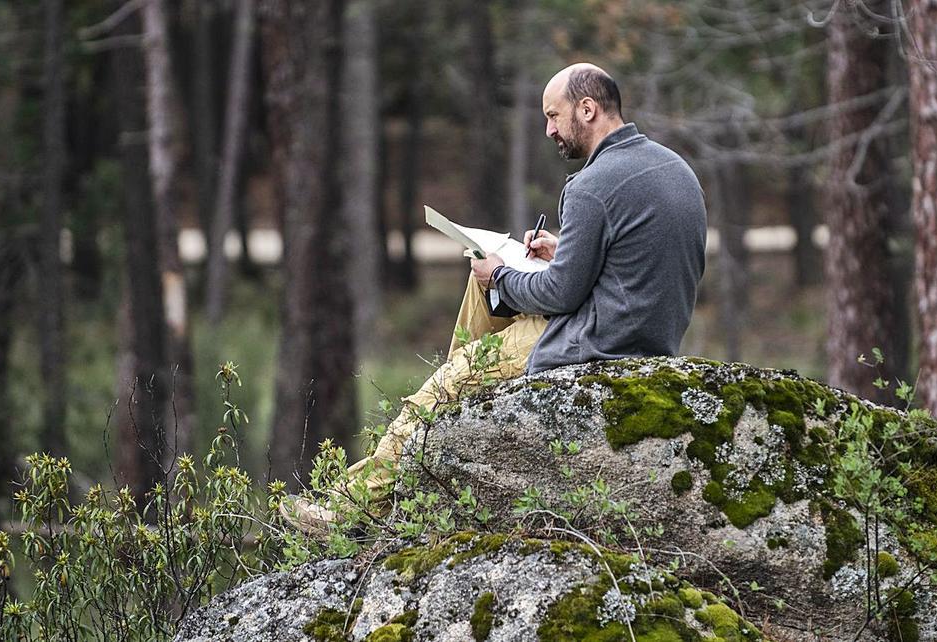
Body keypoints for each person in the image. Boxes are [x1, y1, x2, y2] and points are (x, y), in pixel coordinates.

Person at [282, 63, 707, 534]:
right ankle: (460, 385)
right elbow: (634, 262)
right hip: (653, 335)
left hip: (596, 341)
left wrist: (502, 275)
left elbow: (562, 293)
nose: (548, 129)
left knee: (452, 358)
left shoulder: (591, 185)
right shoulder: (675, 167)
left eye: (553, 115)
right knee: (482, 284)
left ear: (587, 109)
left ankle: (352, 507)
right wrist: (562, 250)